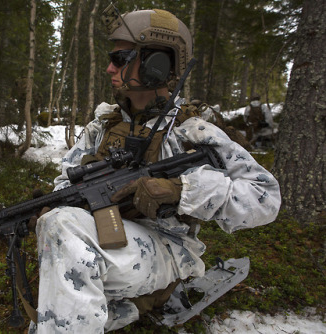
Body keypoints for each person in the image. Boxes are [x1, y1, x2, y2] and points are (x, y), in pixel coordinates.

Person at [29, 7, 281, 333]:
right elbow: (66, 180)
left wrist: (184, 191)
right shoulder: (102, 127)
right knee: (55, 224)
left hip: (170, 249)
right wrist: (49, 207)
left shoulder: (191, 129)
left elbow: (265, 197)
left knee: (62, 229)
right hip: (111, 239)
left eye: (120, 58)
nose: (108, 68)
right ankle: (118, 310)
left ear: (156, 62)